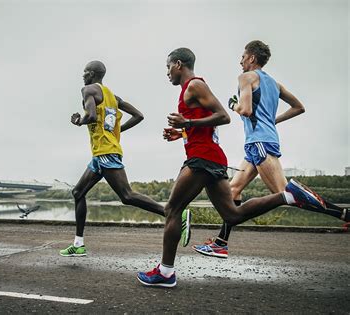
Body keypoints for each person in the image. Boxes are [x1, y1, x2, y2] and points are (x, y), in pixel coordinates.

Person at [137, 47, 333, 287]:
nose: (167, 73)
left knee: (172, 209)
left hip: (203, 159)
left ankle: (165, 273)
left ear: (178, 64)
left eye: (168, 67)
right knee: (232, 214)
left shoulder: (195, 85)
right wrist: (182, 132)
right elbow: (208, 126)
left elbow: (223, 116)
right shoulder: (189, 90)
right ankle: (286, 196)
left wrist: (186, 121)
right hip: (211, 157)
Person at [193, 40, 349, 258]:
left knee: (285, 194)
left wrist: (233, 105)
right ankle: (221, 243)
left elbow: (245, 110)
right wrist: (273, 121)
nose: (240, 61)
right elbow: (298, 107)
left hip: (259, 142)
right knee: (233, 190)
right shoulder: (274, 84)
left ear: (252, 58)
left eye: (243, 56)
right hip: (259, 142)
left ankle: (344, 214)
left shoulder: (246, 77)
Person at [60, 60, 191, 257]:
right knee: (78, 192)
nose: (83, 75)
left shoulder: (88, 90)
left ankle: (174, 213)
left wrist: (79, 121)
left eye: (85, 72)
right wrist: (116, 130)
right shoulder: (112, 97)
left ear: (93, 74)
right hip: (101, 153)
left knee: (127, 196)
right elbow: (138, 115)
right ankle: (78, 244)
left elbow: (92, 116)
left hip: (106, 152)